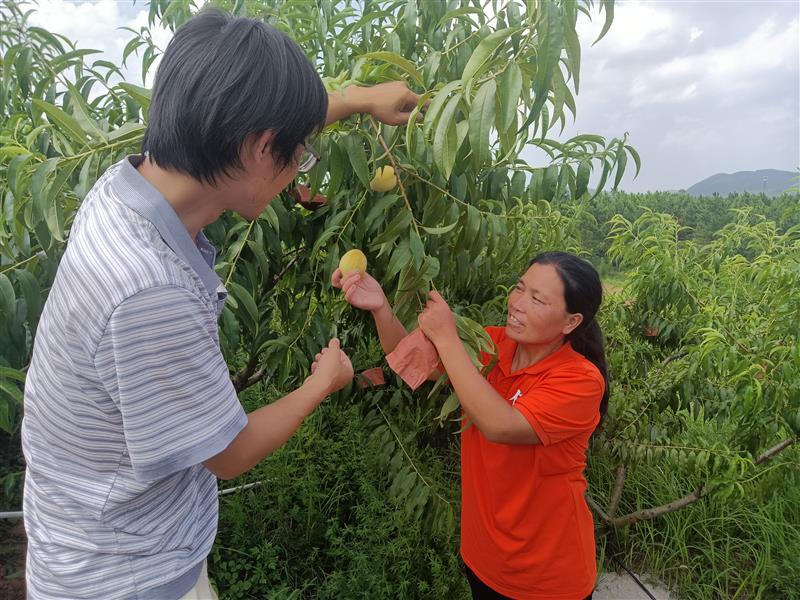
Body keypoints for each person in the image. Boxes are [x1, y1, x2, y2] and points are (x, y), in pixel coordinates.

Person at [21, 8, 421, 600]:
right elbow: (226, 455)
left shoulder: (125, 187)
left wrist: (359, 100)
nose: (299, 170)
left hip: (86, 539)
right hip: (128, 578)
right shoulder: (148, 290)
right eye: (299, 154)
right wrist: (323, 383)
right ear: (261, 146)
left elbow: (250, 127)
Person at [333, 251, 608, 600]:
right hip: (484, 556)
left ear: (570, 322)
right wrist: (381, 307)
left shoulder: (580, 380)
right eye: (520, 288)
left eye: (537, 299)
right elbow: (413, 361)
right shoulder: (493, 345)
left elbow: (500, 425)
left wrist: (447, 337)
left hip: (546, 574)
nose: (518, 304)